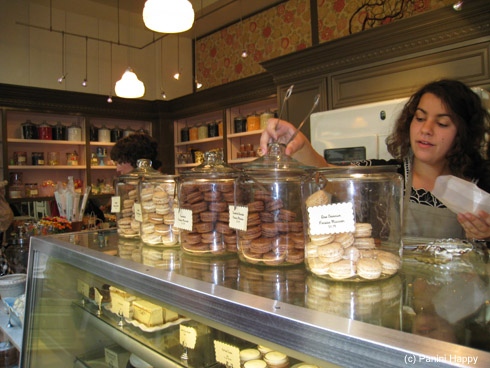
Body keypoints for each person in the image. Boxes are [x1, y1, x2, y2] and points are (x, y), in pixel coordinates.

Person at [260, 79, 490, 240]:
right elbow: (327, 173)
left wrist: (483, 236)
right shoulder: (384, 175)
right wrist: (299, 143)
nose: (426, 130)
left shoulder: (480, 183)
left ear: (463, 132)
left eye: (442, 123)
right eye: (420, 118)